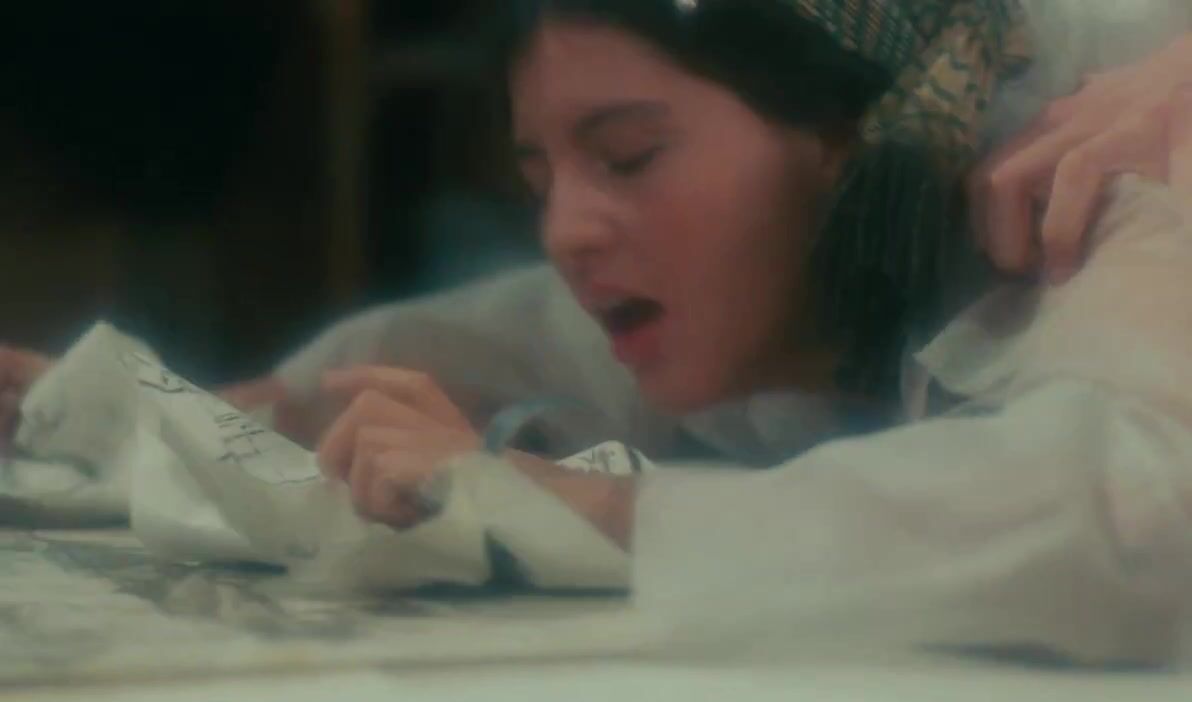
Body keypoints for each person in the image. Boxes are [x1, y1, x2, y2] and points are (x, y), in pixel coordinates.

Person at [0, 0, 1190, 661]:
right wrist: (147, 414)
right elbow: (493, 345)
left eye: (628, 156)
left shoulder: (1104, 168)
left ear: (845, 136)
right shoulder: (761, 271)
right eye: (539, 179)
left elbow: (1140, 518)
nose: (564, 232)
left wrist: (595, 505)